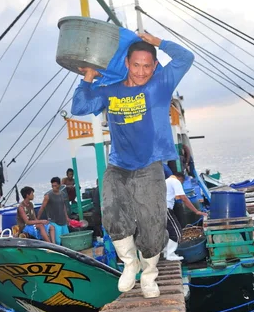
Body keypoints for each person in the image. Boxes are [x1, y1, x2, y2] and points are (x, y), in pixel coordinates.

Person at [71, 32, 194, 298]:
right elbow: (79, 107)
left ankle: (149, 274)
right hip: (118, 166)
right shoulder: (110, 91)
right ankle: (130, 263)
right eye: (136, 65)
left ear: (154, 66)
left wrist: (157, 41)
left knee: (152, 224)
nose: (141, 71)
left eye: (147, 65)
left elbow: (186, 57)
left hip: (150, 166)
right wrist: (89, 75)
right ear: (126, 63)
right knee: (112, 212)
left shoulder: (160, 85)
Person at [165, 171, 205, 260]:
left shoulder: (167, 180)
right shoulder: (175, 181)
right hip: (166, 209)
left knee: (167, 231)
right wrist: (196, 211)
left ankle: (165, 252)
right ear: (181, 179)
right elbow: (184, 198)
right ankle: (170, 254)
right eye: (182, 183)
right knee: (177, 232)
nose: (182, 185)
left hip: (161, 209)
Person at [37, 177, 70, 245]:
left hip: (63, 220)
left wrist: (67, 217)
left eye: (55, 185)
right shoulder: (48, 196)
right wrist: (37, 219)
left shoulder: (62, 194)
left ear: (59, 185)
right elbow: (42, 207)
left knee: (67, 239)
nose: (54, 187)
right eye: (52, 186)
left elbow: (63, 206)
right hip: (54, 221)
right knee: (58, 241)